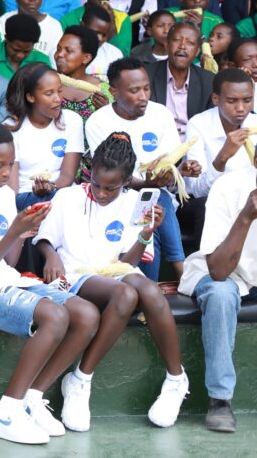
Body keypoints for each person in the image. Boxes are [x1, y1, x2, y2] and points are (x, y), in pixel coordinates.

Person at [0, 121, 100, 445]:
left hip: (4, 279)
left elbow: (9, 262)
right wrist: (15, 230)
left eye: (10, 164)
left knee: (87, 314)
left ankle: (32, 399)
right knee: (56, 316)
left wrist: (24, 232)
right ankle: (6, 411)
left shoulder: (3, 194)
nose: (5, 172)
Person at [35, 132, 189, 431]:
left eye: (111, 188)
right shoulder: (67, 196)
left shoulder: (135, 203)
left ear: (127, 181)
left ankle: (176, 379)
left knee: (150, 291)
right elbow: (44, 239)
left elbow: (128, 262)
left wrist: (146, 234)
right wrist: (50, 255)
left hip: (115, 270)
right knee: (126, 295)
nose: (102, 193)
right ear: (90, 172)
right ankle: (81, 379)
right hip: (74, 274)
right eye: (97, 184)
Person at [85, 58, 194, 281]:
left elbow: (171, 160)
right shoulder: (98, 121)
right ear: (114, 92)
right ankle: (180, 271)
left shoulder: (160, 113)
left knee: (154, 202)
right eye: (134, 91)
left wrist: (175, 171)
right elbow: (108, 173)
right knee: (154, 199)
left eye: (146, 88)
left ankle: (153, 283)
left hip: (157, 193)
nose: (143, 96)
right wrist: (147, 184)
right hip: (117, 194)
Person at [178, 163, 257, 432]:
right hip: (225, 272)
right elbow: (219, 270)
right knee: (220, 295)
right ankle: (220, 400)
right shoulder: (229, 186)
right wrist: (245, 217)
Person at [5, 63, 84, 211]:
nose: (58, 99)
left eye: (60, 91)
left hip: (60, 192)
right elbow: (11, 189)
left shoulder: (72, 120)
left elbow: (67, 176)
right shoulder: (11, 128)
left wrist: (51, 187)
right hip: (25, 196)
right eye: (49, 93)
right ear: (31, 97)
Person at [185, 69, 257, 201]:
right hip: (210, 201)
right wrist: (223, 157)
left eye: (247, 100)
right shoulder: (198, 124)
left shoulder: (254, 122)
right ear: (215, 99)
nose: (241, 108)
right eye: (232, 101)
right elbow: (198, 191)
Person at [0, 13, 53, 80]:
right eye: (15, 50)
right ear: (6, 39)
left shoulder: (41, 61)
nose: (20, 55)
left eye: (26, 51)